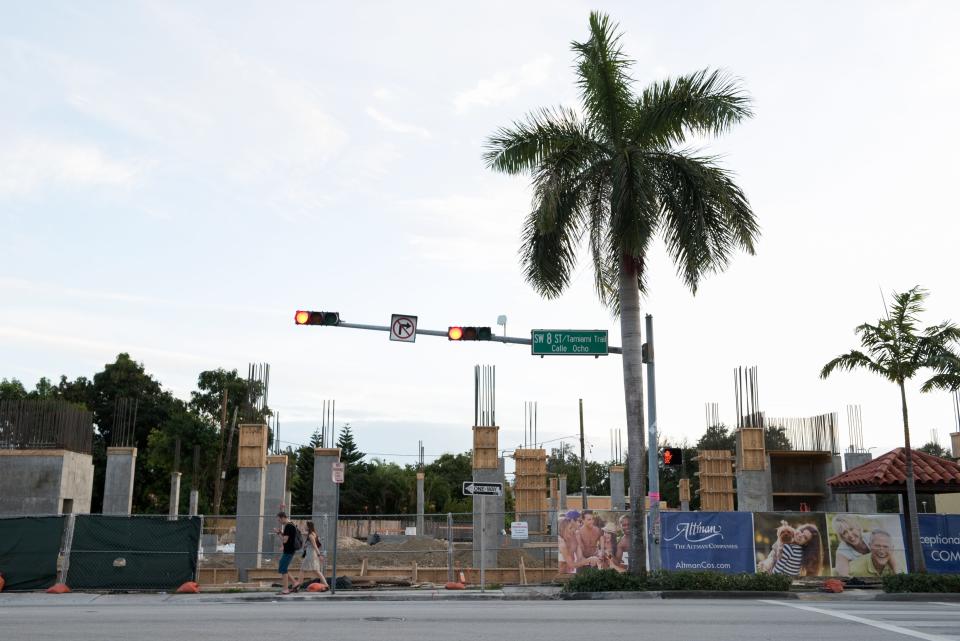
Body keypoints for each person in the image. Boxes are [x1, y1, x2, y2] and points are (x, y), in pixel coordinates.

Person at [294, 520, 328, 591]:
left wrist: (319, 555)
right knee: (316, 571)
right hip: (311, 554)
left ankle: (298, 586)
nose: (304, 526)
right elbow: (303, 533)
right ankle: (326, 585)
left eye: (306, 525)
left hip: (310, 555)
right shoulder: (313, 533)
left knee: (303, 570)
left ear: (308, 526)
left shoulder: (310, 535)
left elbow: (315, 546)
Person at [274, 511, 299, 595]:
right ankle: (295, 583)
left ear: (283, 517)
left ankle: (285, 589)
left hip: (289, 550)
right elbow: (288, 537)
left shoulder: (288, 526)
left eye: (279, 520)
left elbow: (285, 540)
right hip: (290, 550)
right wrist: (281, 533)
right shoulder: (291, 524)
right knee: (283, 567)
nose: (279, 522)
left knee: (283, 568)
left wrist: (278, 533)